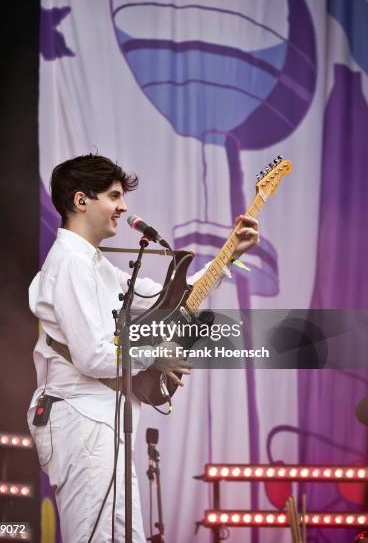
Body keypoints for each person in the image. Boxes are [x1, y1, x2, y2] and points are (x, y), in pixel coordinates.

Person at [27, 153, 259, 542]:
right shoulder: (69, 262)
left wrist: (229, 255)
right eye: (114, 196)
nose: (124, 206)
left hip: (101, 419)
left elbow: (170, 300)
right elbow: (94, 355)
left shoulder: (92, 263)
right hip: (81, 418)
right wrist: (158, 354)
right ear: (81, 201)